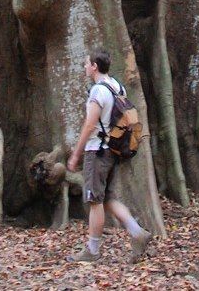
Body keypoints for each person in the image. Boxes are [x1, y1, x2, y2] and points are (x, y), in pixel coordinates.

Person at [65, 48, 152, 263]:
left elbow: (89, 124)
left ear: (94, 66)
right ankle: (137, 232)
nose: (85, 67)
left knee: (95, 200)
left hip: (97, 151)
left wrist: (76, 154)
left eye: (87, 63)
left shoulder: (97, 91)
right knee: (107, 198)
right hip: (114, 151)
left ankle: (92, 251)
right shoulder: (117, 86)